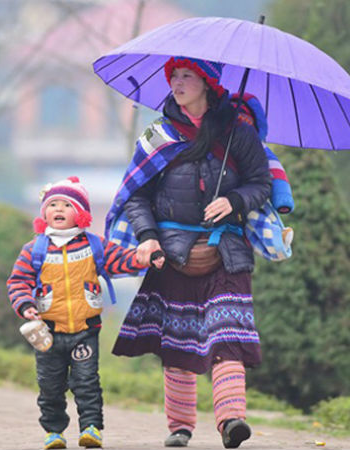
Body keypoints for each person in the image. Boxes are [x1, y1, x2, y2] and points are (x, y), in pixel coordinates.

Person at [107, 57, 272, 449]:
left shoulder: (238, 133)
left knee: (227, 335)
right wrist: (147, 236)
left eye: (186, 76)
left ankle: (231, 420)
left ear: (208, 83)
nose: (177, 84)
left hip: (226, 249)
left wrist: (234, 200)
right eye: (174, 76)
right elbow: (136, 195)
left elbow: (261, 183)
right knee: (177, 343)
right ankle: (180, 426)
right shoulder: (158, 135)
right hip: (172, 253)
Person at [6, 176, 163, 450]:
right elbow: (18, 281)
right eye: (53, 204)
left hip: (85, 330)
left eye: (67, 205)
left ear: (80, 213)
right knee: (50, 386)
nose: (58, 209)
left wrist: (143, 258)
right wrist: (25, 304)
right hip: (47, 333)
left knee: (87, 383)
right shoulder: (34, 250)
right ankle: (54, 431)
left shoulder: (94, 245)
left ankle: (91, 428)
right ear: (44, 213)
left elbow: (121, 260)